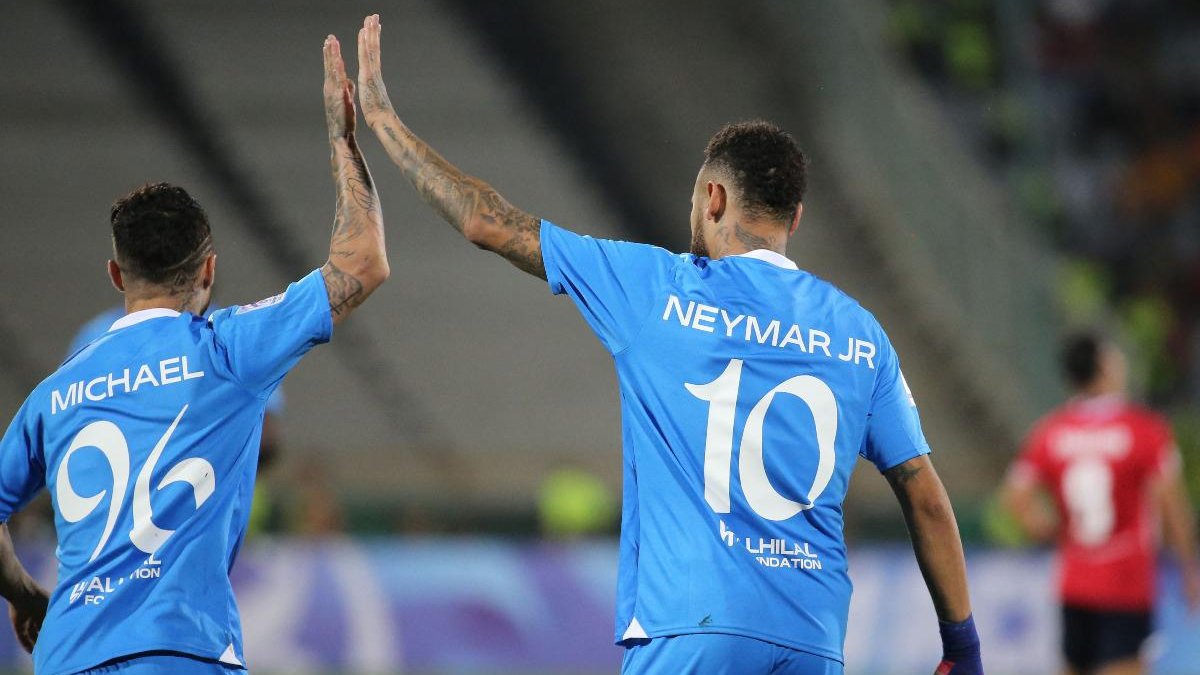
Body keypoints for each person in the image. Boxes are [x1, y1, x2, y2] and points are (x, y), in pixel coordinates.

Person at [352, 15, 982, 674]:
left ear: (712, 197)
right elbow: (927, 497)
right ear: (795, 217)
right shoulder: (861, 334)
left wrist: (384, 120)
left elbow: (486, 220)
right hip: (812, 638)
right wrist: (963, 647)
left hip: (691, 628)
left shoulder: (655, 287)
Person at [0, 33, 387, 674]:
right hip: (179, 650)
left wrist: (25, 594)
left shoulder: (55, 392)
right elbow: (363, 264)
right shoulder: (228, 350)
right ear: (208, 270)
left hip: (69, 656)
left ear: (116, 275)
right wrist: (343, 140)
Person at [1002, 333, 1200, 675]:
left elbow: (1015, 498)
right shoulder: (1144, 430)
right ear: (1106, 367)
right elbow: (1172, 504)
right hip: (1127, 583)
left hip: (1075, 581)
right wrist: (1188, 567)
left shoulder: (1051, 431)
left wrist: (1051, 530)